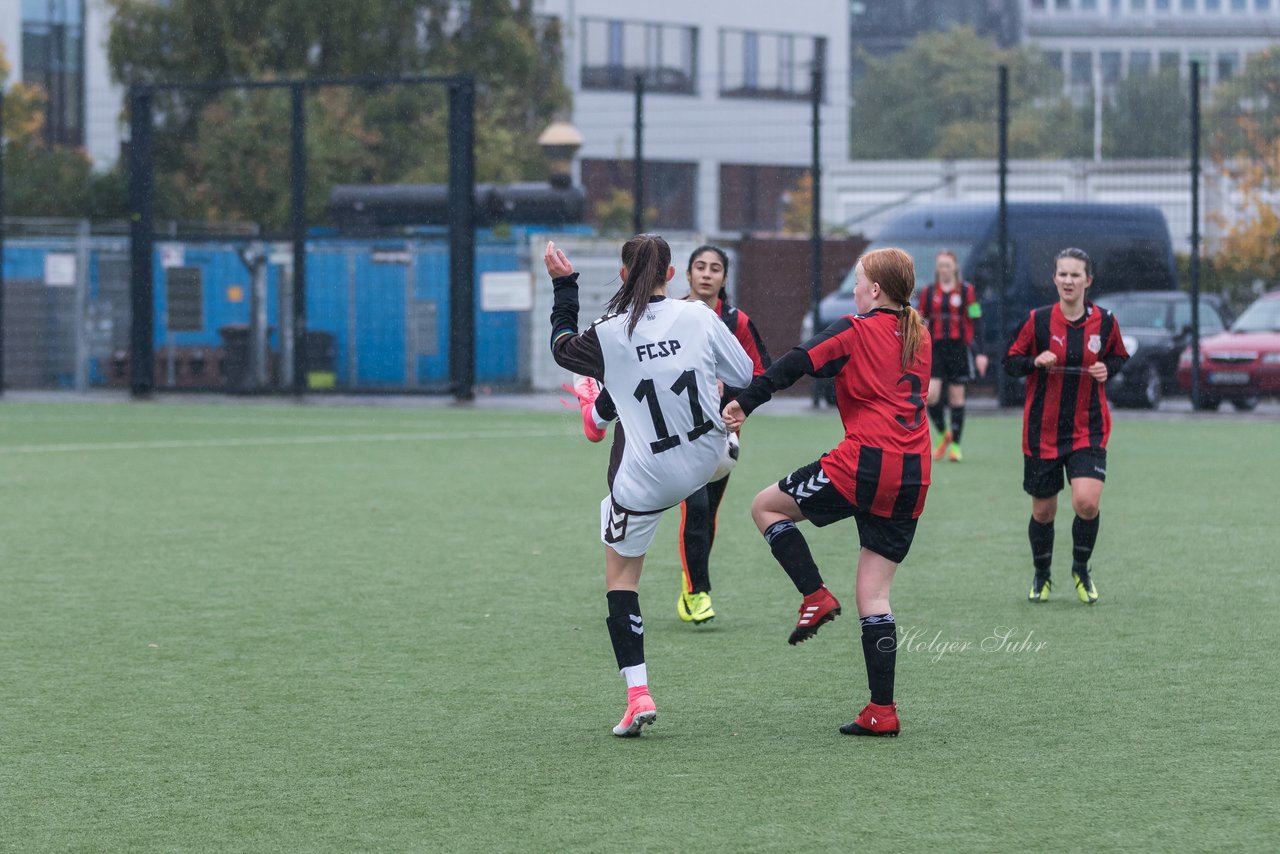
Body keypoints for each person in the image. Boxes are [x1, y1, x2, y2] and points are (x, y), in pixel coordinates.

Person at [546, 235, 753, 737]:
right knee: (653, 390)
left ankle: (638, 694)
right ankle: (601, 404)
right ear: (674, 274)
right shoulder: (701, 316)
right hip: (712, 459)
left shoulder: (609, 330)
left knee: (621, 581)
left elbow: (561, 349)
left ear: (622, 275)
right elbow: (744, 373)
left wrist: (564, 287)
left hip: (648, 480)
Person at [722, 248, 931, 738]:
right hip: (914, 472)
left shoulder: (855, 328)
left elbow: (794, 363)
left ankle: (814, 595)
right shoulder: (920, 335)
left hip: (866, 464)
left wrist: (745, 402)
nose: (855, 289)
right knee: (875, 597)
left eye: (858, 281)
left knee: (766, 506)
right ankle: (882, 710)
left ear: (875, 290)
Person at [566, 245, 771, 626]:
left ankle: (692, 587)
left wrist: (740, 407)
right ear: (682, 274)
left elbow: (757, 373)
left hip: (714, 433)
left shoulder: (729, 320)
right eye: (701, 267)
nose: (707, 274)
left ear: (725, 278)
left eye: (715, 269)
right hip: (674, 437)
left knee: (705, 513)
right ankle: (697, 592)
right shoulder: (669, 315)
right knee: (695, 507)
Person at [1003, 247, 1128, 605]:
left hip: (1088, 428)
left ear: (1088, 280)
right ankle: (1042, 575)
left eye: (1076, 275)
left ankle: (1081, 568)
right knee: (1043, 511)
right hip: (1041, 432)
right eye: (1063, 274)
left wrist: (1110, 369)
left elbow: (1119, 356)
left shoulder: (1105, 322)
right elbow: (1009, 362)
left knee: (1086, 503)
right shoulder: (1038, 320)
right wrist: (1033, 360)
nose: (1068, 280)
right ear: (1054, 278)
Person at [917, 250, 988, 462]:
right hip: (936, 348)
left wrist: (980, 353)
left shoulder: (967, 291)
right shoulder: (929, 292)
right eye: (941, 265)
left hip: (958, 349)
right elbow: (921, 321)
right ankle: (943, 433)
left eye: (948, 265)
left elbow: (977, 321)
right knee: (931, 395)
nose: (944, 269)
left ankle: (955, 445)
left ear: (955, 268)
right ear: (937, 268)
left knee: (957, 397)